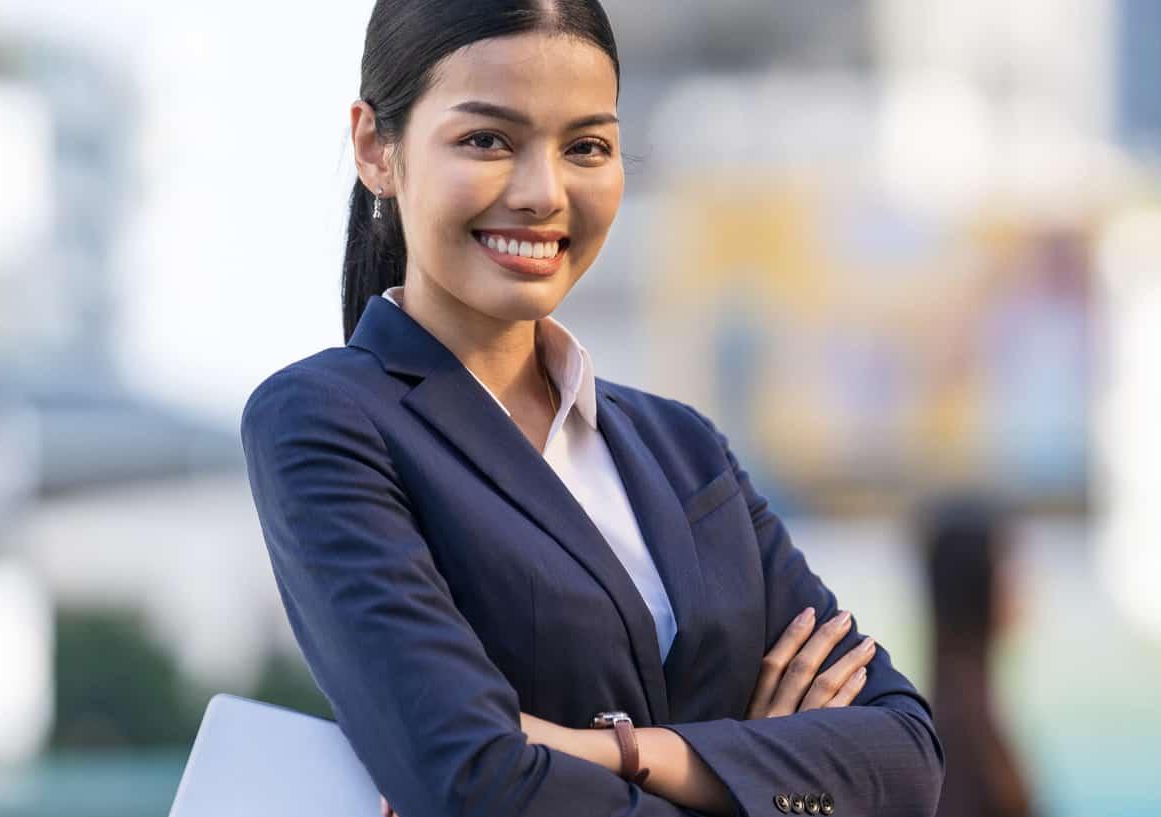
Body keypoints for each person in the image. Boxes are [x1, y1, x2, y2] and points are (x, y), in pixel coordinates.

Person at [238, 3, 943, 815]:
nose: (543, 193)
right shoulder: (326, 424)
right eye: (487, 140)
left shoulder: (685, 449)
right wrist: (753, 773)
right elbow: (476, 780)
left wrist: (619, 752)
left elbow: (907, 759)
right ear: (375, 147)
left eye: (586, 147)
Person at [920, 497, 1040, 817]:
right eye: (1011, 568)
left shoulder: (964, 705)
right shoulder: (958, 727)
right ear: (979, 581)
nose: (1025, 587)